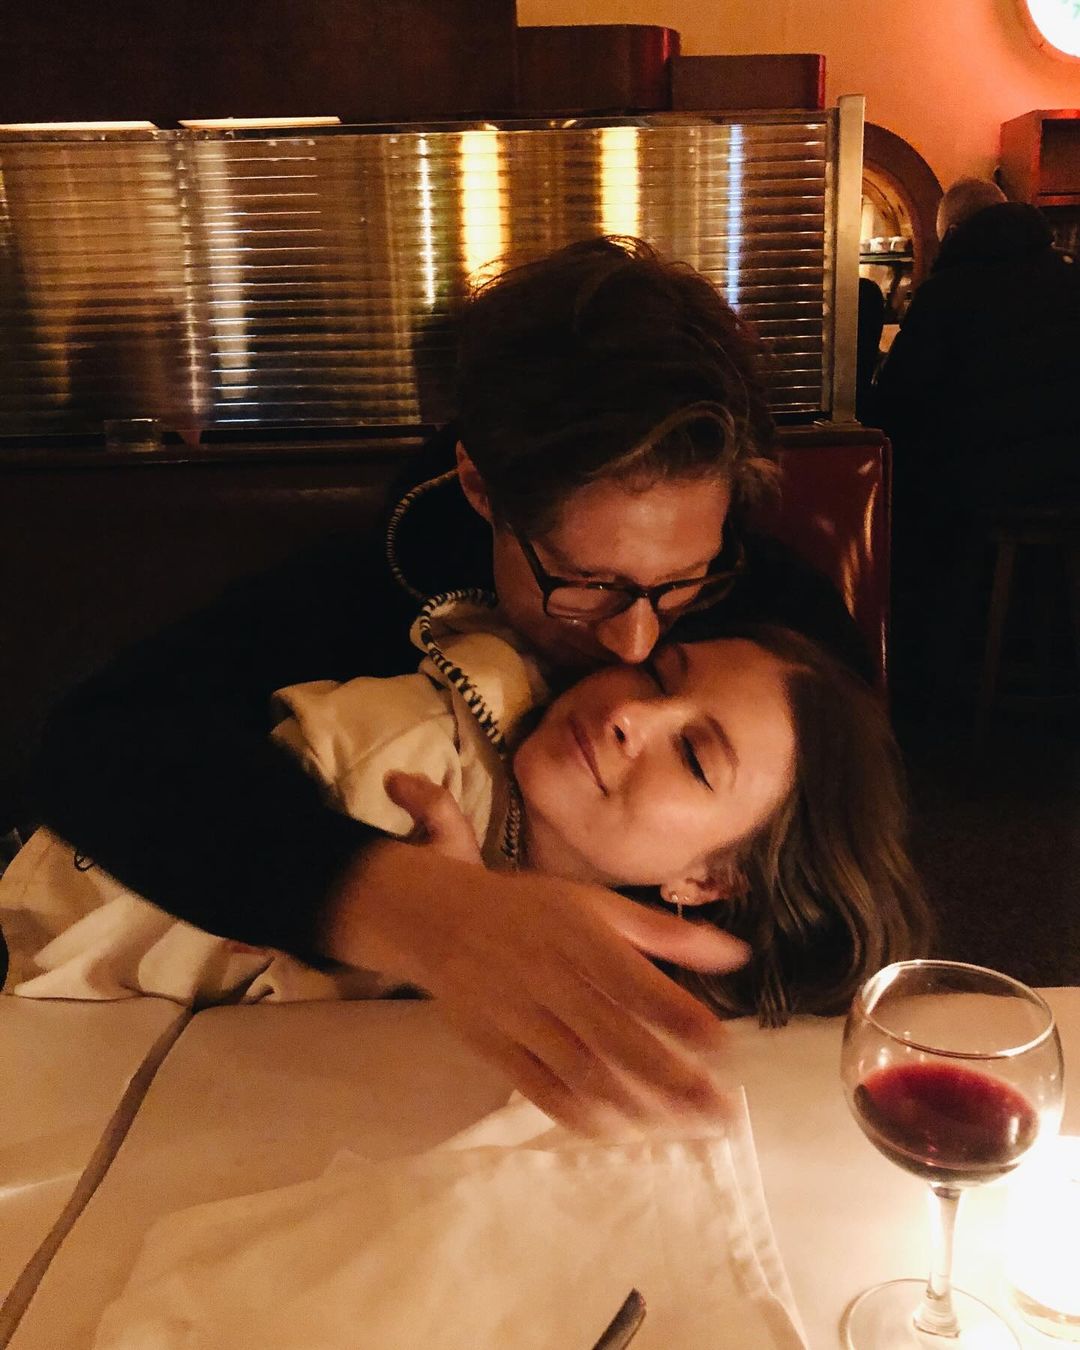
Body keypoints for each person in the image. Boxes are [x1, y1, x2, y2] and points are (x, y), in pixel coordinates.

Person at [25, 236, 874, 1133]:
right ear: (479, 487)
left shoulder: (783, 625)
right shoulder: (376, 580)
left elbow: (839, 913)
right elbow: (95, 746)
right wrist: (405, 906)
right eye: (586, 583)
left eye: (680, 584)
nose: (635, 641)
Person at [6, 594, 928, 1051]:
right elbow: (114, 959)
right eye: (657, 676)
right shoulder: (406, 760)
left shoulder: (634, 954)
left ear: (709, 881)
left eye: (692, 756)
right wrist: (395, 936)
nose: (630, 714)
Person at [871, 180, 1080, 695]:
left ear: (955, 233)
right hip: (1070, 483)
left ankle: (933, 679)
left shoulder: (947, 295)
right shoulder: (1069, 279)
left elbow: (899, 403)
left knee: (908, 498)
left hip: (988, 493)